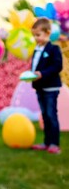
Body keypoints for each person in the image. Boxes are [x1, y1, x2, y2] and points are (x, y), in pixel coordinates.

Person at [30, 17, 63, 154]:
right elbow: (35, 66)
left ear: (48, 33)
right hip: (40, 87)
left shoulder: (54, 49)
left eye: (38, 35)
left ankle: (54, 143)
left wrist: (42, 73)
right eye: (34, 36)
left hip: (51, 88)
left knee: (51, 114)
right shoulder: (36, 49)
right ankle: (46, 142)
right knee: (44, 115)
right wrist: (31, 75)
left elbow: (57, 66)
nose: (36, 38)